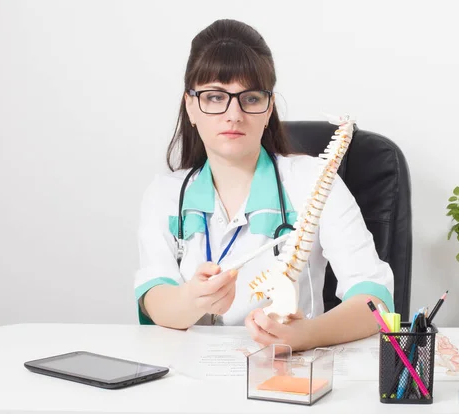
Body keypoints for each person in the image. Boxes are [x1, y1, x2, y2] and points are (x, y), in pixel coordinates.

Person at [133, 19, 394, 351]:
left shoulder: (316, 181)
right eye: (215, 97)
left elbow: (376, 302)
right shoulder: (165, 195)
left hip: (290, 375)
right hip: (190, 375)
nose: (234, 114)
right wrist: (191, 299)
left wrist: (305, 335)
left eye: (251, 98)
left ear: (269, 107)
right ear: (190, 105)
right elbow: (155, 299)